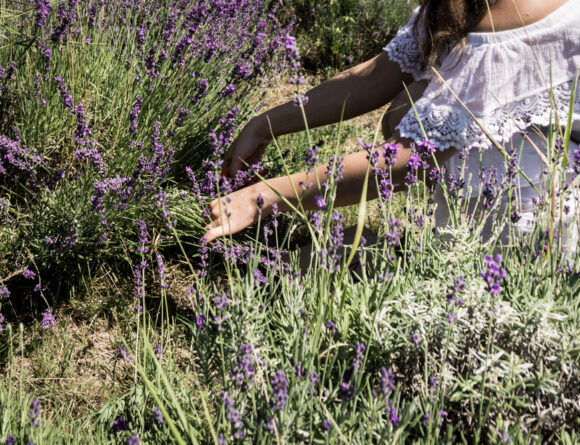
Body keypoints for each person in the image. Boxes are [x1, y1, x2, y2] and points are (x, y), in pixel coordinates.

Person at [203, 0, 580, 248]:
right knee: (339, 251)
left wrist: (264, 198)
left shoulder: (528, 19)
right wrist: (264, 125)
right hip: (468, 231)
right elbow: (373, 77)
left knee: (321, 264)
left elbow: (407, 160)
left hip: (529, 249)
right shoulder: (472, 4)